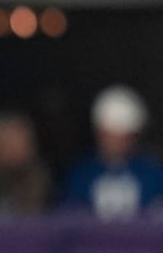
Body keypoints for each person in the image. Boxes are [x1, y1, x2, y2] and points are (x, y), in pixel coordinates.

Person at [61, 84, 163, 220]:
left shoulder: (152, 174)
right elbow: (68, 218)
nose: (116, 142)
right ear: (99, 134)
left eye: (123, 136)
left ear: (134, 136)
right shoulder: (82, 174)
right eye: (110, 135)